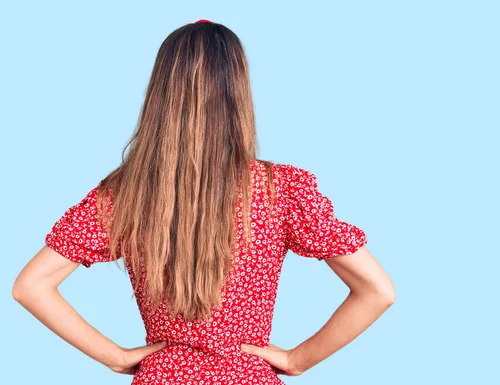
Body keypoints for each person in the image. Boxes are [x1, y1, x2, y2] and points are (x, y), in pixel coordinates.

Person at [12, 19, 395, 385]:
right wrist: (298, 360)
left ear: (161, 94)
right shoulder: (281, 189)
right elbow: (377, 290)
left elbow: (31, 286)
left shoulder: (125, 194)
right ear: (238, 91)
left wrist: (115, 356)